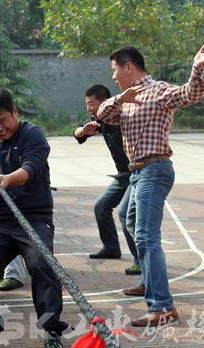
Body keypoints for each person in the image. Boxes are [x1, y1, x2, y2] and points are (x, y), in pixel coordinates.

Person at [97, 43, 204, 327]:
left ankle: (162, 306)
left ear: (129, 67)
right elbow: (102, 114)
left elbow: (190, 94)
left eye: (115, 70)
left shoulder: (158, 90)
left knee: (146, 236)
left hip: (155, 169)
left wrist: (197, 68)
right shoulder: (125, 99)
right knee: (127, 217)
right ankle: (149, 281)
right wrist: (120, 98)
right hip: (137, 173)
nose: (113, 76)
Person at [0, 88, 68, 348]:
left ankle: (51, 330)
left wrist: (8, 179)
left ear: (14, 112)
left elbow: (32, 167)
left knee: (42, 261)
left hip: (34, 217)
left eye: (3, 121)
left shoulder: (32, 134)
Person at [74, 84, 140, 276]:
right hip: (122, 175)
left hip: (137, 173)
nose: (89, 108)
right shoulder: (99, 120)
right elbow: (77, 133)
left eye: (91, 104)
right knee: (101, 206)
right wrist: (84, 131)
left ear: (104, 102)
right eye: (87, 104)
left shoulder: (122, 116)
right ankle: (111, 248)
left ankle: (139, 260)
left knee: (125, 213)